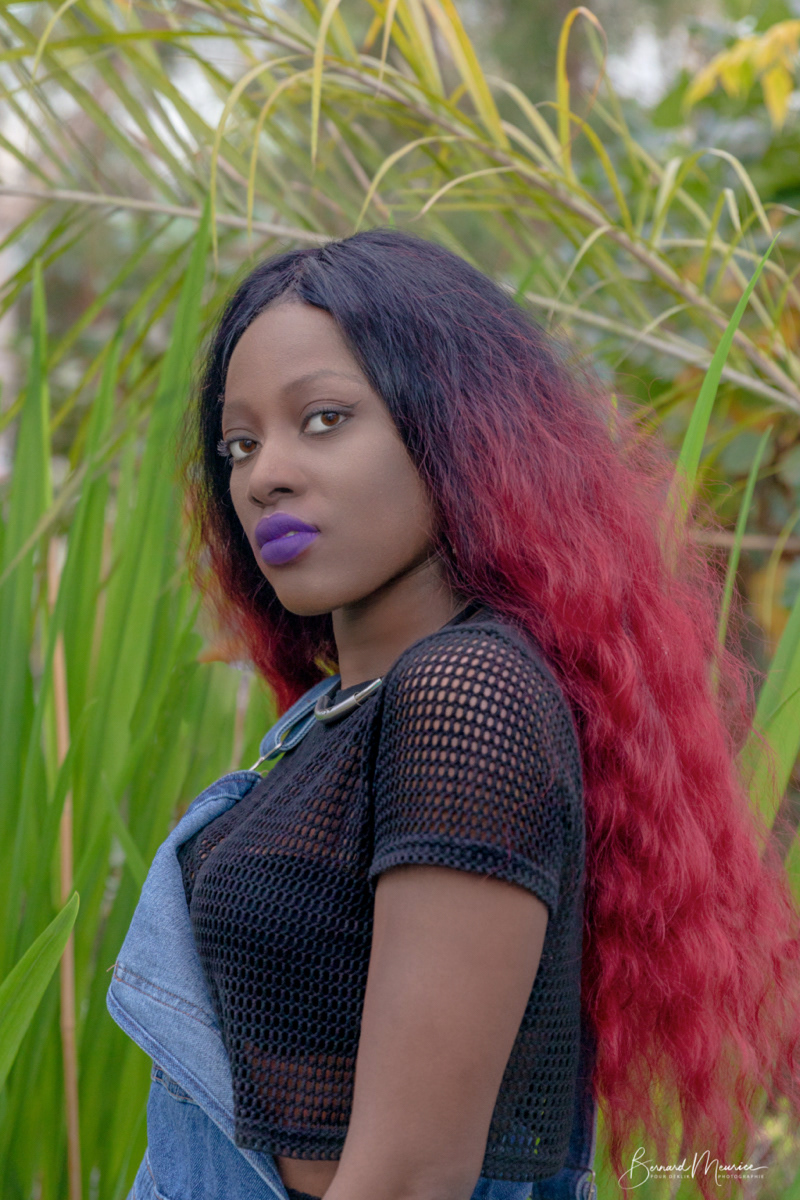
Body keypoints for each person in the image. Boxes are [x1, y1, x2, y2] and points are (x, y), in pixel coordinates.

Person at [108, 228, 800, 1200]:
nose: (264, 476)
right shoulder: (343, 717)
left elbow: (411, 1175)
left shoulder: (465, 699)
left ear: (459, 430)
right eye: (240, 443)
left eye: (323, 419)